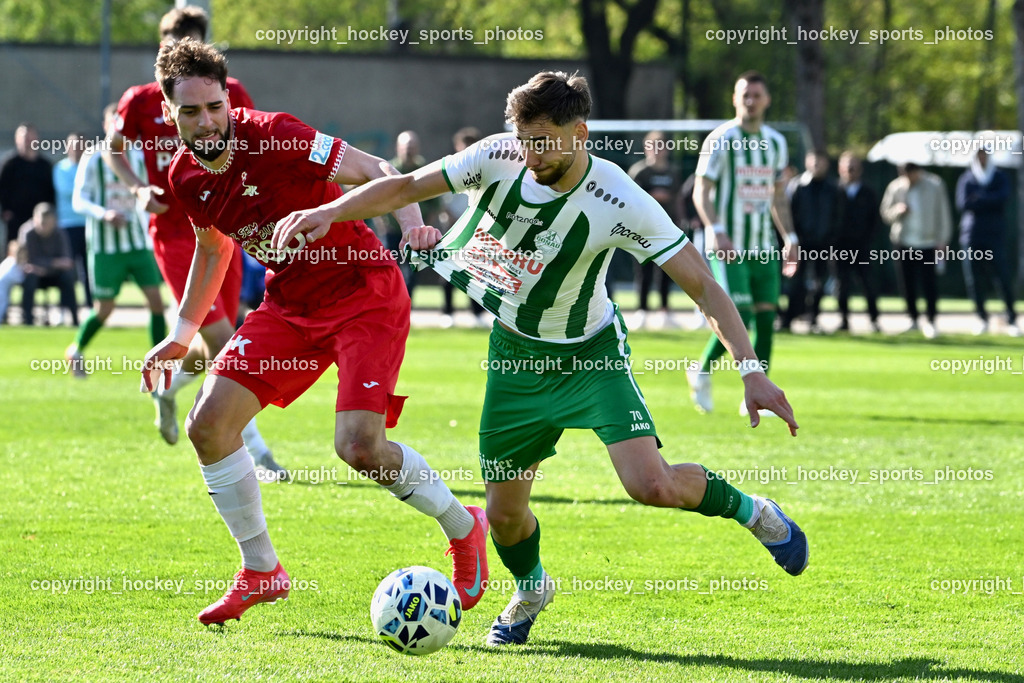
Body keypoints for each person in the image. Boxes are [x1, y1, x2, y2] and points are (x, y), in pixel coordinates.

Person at [273, 70, 808, 647]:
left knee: (649, 484)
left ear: (580, 133)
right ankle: (532, 588)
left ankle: (754, 512)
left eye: (544, 141)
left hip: (591, 354)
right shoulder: (498, 156)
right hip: (514, 359)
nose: (531, 155)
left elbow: (703, 285)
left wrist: (751, 371)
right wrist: (333, 212)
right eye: (524, 140)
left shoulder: (619, 197)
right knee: (504, 517)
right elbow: (403, 188)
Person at [140, 38, 489, 626]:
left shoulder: (278, 134)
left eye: (216, 106)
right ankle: (261, 571)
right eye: (191, 112)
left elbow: (379, 171)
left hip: (363, 294)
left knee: (359, 448)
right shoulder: (184, 177)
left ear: (229, 99)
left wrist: (412, 224)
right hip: (290, 306)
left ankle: (464, 526)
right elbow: (211, 245)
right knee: (209, 425)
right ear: (170, 113)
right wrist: (182, 332)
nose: (208, 122)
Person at [105, 6, 279, 476]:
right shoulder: (140, 101)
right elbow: (114, 148)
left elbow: (255, 146)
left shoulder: (230, 92)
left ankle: (168, 387)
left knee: (208, 344)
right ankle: (256, 454)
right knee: (226, 340)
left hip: (223, 228)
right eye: (171, 48)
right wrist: (138, 187)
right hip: (176, 235)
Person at [687, 71, 798, 415]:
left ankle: (760, 396)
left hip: (762, 246)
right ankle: (702, 370)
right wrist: (717, 229)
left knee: (766, 320)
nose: (751, 101)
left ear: (767, 100)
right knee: (741, 316)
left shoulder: (776, 143)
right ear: (735, 99)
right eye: (745, 95)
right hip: (729, 246)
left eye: (757, 95)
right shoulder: (720, 139)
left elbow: (777, 197)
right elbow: (701, 191)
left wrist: (790, 237)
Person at [64, 105, 167, 378]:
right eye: (114, 122)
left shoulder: (138, 154)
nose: (119, 128)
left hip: (137, 243)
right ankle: (76, 350)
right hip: (105, 247)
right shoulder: (94, 156)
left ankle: (159, 363)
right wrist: (104, 214)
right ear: (105, 123)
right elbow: (78, 200)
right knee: (105, 309)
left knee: (156, 302)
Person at [880, 162, 952, 339]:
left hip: (928, 242)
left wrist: (943, 240)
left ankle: (931, 320)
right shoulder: (896, 187)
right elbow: (885, 213)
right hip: (903, 241)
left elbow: (943, 213)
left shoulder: (935, 185)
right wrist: (898, 210)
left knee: (929, 283)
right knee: (907, 283)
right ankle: (912, 318)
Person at [955, 147, 1018, 336]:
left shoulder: (999, 176)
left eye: (984, 154)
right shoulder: (967, 178)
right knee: (974, 279)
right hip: (972, 235)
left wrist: (980, 198)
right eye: (978, 155)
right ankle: (982, 318)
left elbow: (1003, 198)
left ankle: (1012, 319)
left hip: (994, 235)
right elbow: (963, 204)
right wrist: (988, 200)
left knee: (1002, 277)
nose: (981, 158)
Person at [628, 131, 683, 329]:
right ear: (646, 148)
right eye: (653, 146)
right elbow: (630, 199)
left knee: (667, 269)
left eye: (661, 146)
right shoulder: (639, 172)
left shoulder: (672, 172)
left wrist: (680, 220)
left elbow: (678, 198)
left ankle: (665, 312)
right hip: (643, 229)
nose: (657, 151)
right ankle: (642, 311)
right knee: (644, 270)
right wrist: (653, 195)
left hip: (667, 229)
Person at [780, 150, 839, 334]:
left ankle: (813, 319)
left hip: (823, 244)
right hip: (800, 244)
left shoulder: (833, 188)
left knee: (819, 283)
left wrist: (831, 239)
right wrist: (792, 239)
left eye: (820, 162)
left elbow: (838, 217)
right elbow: (788, 214)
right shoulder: (797, 186)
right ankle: (789, 319)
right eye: (813, 162)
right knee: (796, 283)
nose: (816, 166)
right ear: (807, 162)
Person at [438, 127, 487, 328]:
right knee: (448, 273)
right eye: (463, 145)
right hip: (452, 230)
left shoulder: (484, 171)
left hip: (475, 232)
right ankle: (448, 313)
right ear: (458, 146)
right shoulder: (449, 168)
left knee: (475, 274)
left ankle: (477, 314)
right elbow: (442, 203)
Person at [834, 152, 881, 333]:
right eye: (847, 165)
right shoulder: (835, 190)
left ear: (860, 169)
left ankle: (874, 319)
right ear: (840, 169)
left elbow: (875, 220)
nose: (850, 169)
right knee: (842, 285)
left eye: (854, 165)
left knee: (868, 284)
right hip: (839, 247)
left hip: (862, 247)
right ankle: (844, 320)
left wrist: (868, 241)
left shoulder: (868, 192)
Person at [18, 203, 79, 326]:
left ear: (54, 221)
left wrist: (47, 265)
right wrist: (55, 262)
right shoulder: (27, 232)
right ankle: (28, 321)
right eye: (41, 223)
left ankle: (74, 320)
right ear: (34, 219)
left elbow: (66, 261)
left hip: (54, 274)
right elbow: (28, 260)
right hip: (34, 275)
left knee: (68, 277)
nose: (43, 227)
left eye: (46, 223)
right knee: (30, 278)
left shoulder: (60, 232)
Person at [0, 123, 55, 252]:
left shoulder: (45, 165)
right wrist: (5, 211)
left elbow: (50, 192)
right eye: (25, 138)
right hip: (16, 219)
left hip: (41, 221)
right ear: (17, 139)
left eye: (31, 138)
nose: (28, 141)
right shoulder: (9, 164)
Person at [54, 132, 93, 308]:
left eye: (80, 146)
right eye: (74, 146)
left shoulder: (91, 166)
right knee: (68, 269)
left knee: (89, 269)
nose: (77, 149)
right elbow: (68, 191)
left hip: (88, 223)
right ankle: (67, 308)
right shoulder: (60, 169)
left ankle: (92, 307)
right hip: (68, 226)